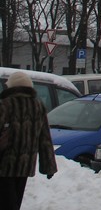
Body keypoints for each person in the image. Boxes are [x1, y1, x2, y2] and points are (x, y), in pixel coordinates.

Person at [0, 71, 58, 210]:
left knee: (6, 203)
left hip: (4, 164)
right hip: (25, 166)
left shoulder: (5, 105)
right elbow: (45, 139)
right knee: (15, 202)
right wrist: (49, 166)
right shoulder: (38, 105)